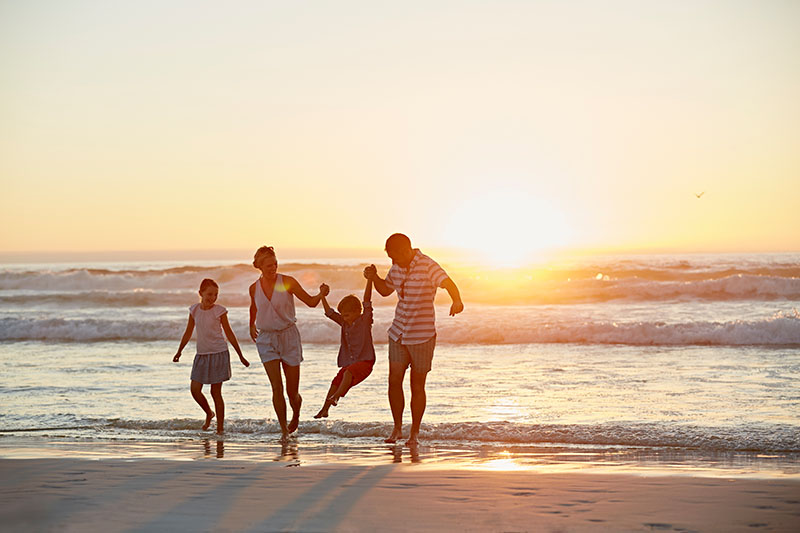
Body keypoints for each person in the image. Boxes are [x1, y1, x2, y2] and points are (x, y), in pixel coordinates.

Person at [364, 233, 463, 446]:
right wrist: (374, 278)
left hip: (422, 335)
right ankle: (397, 429)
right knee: (394, 381)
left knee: (417, 386)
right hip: (398, 332)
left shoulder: (428, 265)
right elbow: (384, 290)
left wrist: (457, 300)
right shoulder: (397, 267)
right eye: (390, 258)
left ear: (406, 250)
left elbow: (448, 282)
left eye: (394, 256)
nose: (392, 262)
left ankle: (414, 434)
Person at [249, 245, 329, 442]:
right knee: (276, 387)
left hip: (289, 337)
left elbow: (311, 302)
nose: (273, 268)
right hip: (266, 339)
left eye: (275, 263)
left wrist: (321, 294)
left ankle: (296, 415)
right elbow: (254, 306)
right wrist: (251, 324)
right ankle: (284, 431)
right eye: (268, 265)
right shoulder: (254, 288)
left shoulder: (287, 282)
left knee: (292, 392)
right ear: (259, 266)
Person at [173, 278, 250, 435]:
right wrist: (179, 351)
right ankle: (209, 413)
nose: (213, 298)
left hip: (218, 354)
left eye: (216, 294)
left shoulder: (220, 311)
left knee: (216, 393)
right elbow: (188, 332)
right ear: (200, 293)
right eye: (209, 294)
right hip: (201, 355)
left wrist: (240, 355)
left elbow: (229, 333)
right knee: (195, 390)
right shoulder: (194, 310)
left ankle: (220, 429)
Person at [314, 277, 376, 419]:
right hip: (352, 363)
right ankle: (324, 409)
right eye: (342, 315)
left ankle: (336, 398)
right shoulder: (344, 322)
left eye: (347, 315)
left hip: (365, 363)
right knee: (336, 381)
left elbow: (367, 300)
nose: (344, 318)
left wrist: (369, 280)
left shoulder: (364, 320)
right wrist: (322, 296)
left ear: (357, 312)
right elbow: (329, 312)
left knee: (347, 372)